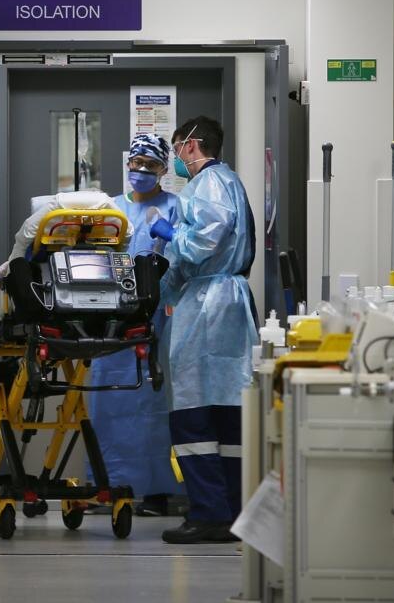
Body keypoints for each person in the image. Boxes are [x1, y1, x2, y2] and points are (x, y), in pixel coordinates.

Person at [149, 117, 257, 543]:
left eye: (177, 148)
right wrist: (163, 288)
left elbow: (203, 241)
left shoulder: (208, 183)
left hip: (207, 305)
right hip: (227, 302)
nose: (176, 157)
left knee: (193, 413)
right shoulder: (229, 181)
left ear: (191, 145)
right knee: (228, 412)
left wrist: (170, 234)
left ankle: (209, 514)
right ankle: (232, 513)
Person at [87, 134, 183, 516]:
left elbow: (182, 259)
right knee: (107, 404)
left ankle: (157, 491)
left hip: (156, 320)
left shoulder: (175, 208)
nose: (141, 170)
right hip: (110, 322)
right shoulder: (110, 210)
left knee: (152, 407)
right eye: (136, 162)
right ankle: (106, 486)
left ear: (163, 170)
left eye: (150, 165)